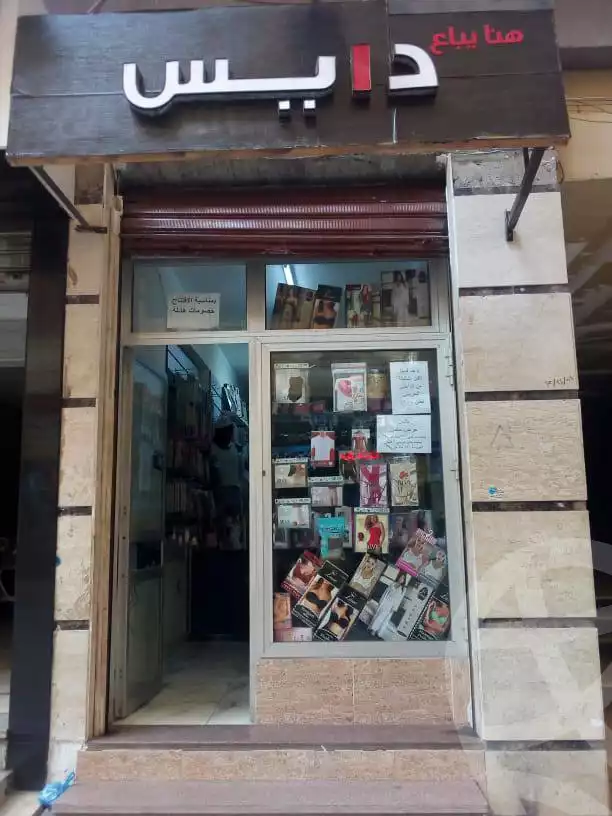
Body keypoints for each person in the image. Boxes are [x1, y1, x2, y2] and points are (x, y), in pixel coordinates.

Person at [210, 412, 247, 549]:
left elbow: (240, 471)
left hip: (234, 492)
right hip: (221, 492)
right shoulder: (213, 449)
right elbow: (214, 473)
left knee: (234, 526)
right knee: (223, 526)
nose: (231, 434)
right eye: (229, 431)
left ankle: (234, 547)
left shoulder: (235, 448)